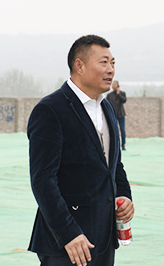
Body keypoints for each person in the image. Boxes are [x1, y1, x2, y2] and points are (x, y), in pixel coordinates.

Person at [27, 35, 134, 266]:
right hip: (67, 243)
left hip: (104, 237)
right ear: (79, 65)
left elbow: (113, 164)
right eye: (103, 62)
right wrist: (68, 233)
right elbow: (43, 179)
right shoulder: (50, 109)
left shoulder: (106, 107)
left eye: (113, 63)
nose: (111, 70)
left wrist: (124, 195)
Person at [107, 80, 128, 151]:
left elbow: (124, 100)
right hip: (113, 115)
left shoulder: (122, 93)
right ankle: (115, 145)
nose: (113, 86)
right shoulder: (109, 95)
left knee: (122, 130)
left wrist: (118, 94)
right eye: (113, 85)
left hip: (121, 114)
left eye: (115, 84)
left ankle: (123, 144)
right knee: (114, 130)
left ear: (118, 85)